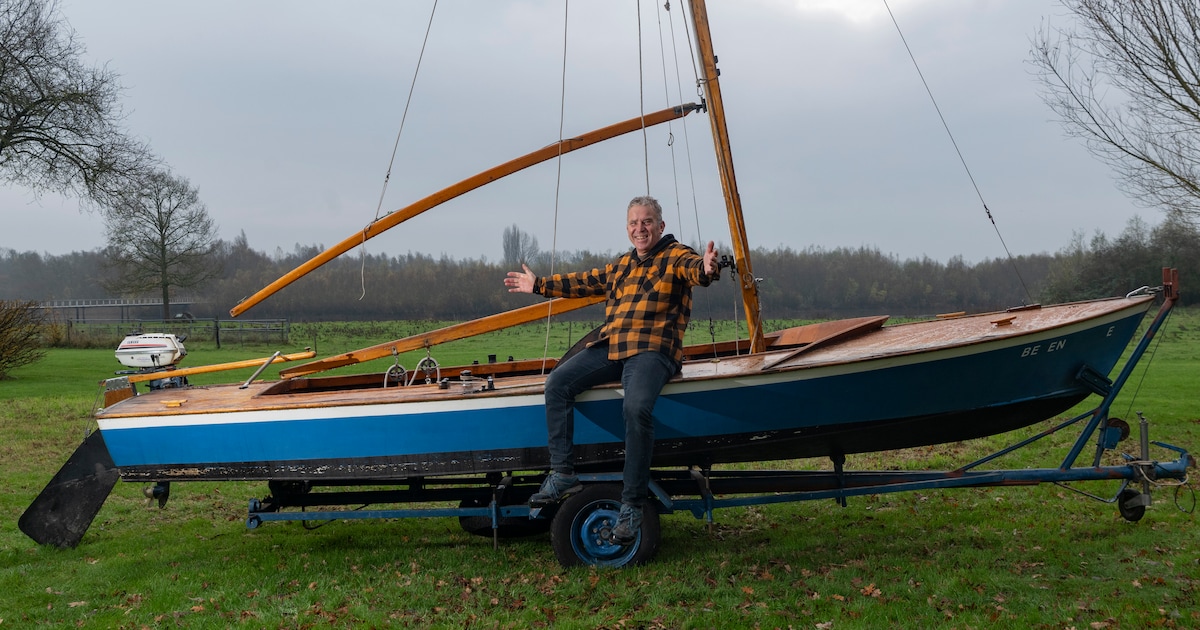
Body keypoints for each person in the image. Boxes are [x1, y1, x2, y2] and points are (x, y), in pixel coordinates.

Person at [504, 195, 717, 545]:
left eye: (647, 221)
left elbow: (696, 270)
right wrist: (539, 285)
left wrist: (708, 269)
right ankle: (563, 473)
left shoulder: (675, 255)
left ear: (660, 226)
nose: (640, 228)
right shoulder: (622, 265)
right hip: (613, 346)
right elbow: (583, 282)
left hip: (652, 350)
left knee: (635, 408)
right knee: (557, 383)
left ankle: (632, 503)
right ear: (627, 229)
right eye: (634, 223)